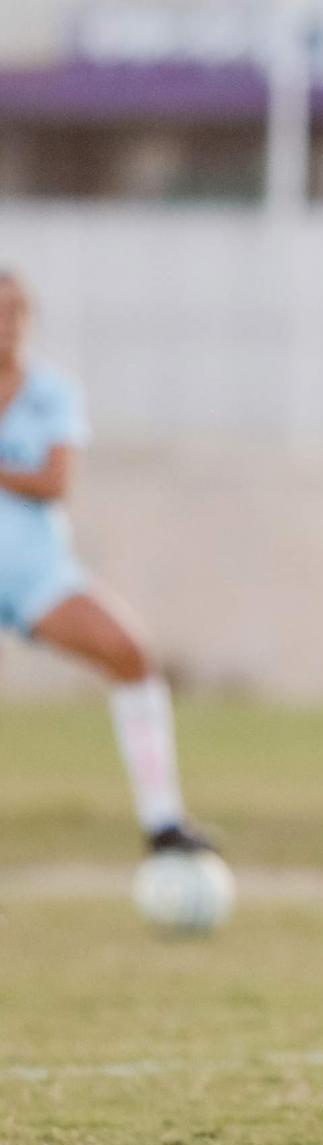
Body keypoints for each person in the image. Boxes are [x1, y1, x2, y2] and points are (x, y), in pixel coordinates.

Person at [0, 270, 210, 857]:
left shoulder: (51, 393)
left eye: (16, 313)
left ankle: (163, 821)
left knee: (131, 654)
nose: (6, 325)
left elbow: (53, 480)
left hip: (35, 573)